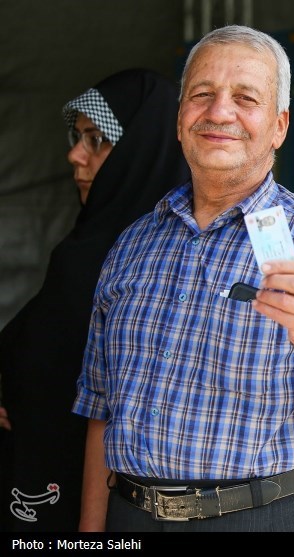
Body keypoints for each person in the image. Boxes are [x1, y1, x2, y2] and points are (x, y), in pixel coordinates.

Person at [71, 25, 294, 533]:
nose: (219, 112)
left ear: (279, 126)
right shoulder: (133, 245)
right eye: (203, 95)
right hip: (134, 515)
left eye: (245, 98)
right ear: (179, 119)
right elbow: (100, 408)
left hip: (276, 515)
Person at [0, 68, 191, 531]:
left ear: (142, 150)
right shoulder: (88, 243)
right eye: (78, 137)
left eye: (96, 140)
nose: (74, 155)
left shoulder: (149, 259)